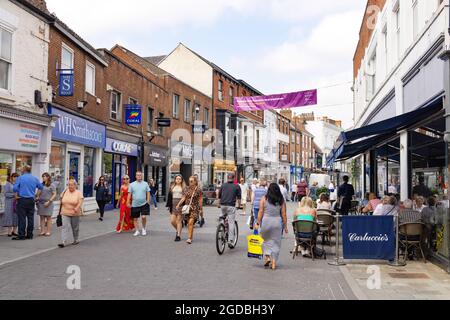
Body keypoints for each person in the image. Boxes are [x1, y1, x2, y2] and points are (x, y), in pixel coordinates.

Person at [254, 183, 288, 271]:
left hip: (266, 221)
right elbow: (284, 214)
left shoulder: (264, 199)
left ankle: (267, 256)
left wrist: (258, 223)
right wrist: (286, 226)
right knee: (276, 242)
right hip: (277, 222)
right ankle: (273, 262)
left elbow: (260, 212)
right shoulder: (281, 200)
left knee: (265, 240)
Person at [12, 166, 43, 241]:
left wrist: (16, 196)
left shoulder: (21, 178)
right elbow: (41, 187)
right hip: (31, 200)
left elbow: (15, 188)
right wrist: (37, 195)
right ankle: (30, 234)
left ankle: (21, 235)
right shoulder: (34, 178)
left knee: (22, 218)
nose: (21, 170)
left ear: (24, 170)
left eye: (22, 169)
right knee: (30, 218)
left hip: (22, 200)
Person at [176, 176, 203, 245]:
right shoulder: (186, 188)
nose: (190, 182)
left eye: (191, 181)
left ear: (195, 182)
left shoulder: (198, 190)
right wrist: (178, 204)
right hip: (188, 208)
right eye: (189, 181)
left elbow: (200, 199)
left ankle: (189, 238)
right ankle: (190, 235)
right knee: (189, 223)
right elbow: (183, 198)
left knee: (191, 222)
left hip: (195, 208)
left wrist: (201, 208)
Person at [58, 178, 84, 248]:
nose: (70, 186)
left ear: (75, 185)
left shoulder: (78, 192)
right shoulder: (65, 191)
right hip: (65, 212)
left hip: (74, 213)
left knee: (75, 227)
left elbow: (80, 201)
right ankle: (63, 242)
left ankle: (76, 239)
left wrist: (77, 208)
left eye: (71, 185)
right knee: (65, 227)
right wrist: (60, 209)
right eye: (69, 185)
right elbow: (61, 199)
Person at [218, 174, 241, 249]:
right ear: (234, 178)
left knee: (222, 217)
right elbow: (239, 197)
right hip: (231, 206)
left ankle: (220, 228)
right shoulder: (237, 186)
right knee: (231, 223)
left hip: (223, 205)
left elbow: (219, 195)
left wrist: (219, 204)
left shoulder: (223, 185)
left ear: (227, 178)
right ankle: (230, 241)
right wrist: (239, 205)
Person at [127, 171, 151, 237]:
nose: (139, 176)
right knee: (135, 218)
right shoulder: (132, 184)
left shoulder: (145, 184)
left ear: (142, 176)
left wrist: (148, 200)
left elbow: (148, 192)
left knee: (143, 217)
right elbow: (129, 194)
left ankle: (143, 229)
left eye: (140, 175)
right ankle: (137, 230)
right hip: (135, 204)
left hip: (144, 204)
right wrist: (128, 202)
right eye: (138, 175)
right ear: (135, 176)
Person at [166, 175, 186, 242]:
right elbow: (169, 197)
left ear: (181, 180)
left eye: (179, 179)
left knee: (178, 220)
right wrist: (169, 205)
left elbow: (184, 197)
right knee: (172, 221)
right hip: (173, 205)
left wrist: (179, 204)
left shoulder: (183, 187)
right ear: (175, 179)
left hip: (180, 204)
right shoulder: (172, 186)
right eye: (177, 179)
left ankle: (178, 235)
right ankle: (178, 229)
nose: (178, 180)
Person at [1, 173, 19, 237]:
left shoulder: (18, 184)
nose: (15, 178)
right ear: (12, 177)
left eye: (17, 177)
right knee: (9, 216)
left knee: (16, 216)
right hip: (9, 202)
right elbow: (6, 194)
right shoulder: (8, 184)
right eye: (14, 177)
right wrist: (14, 195)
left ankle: (14, 231)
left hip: (16, 202)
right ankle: (9, 232)